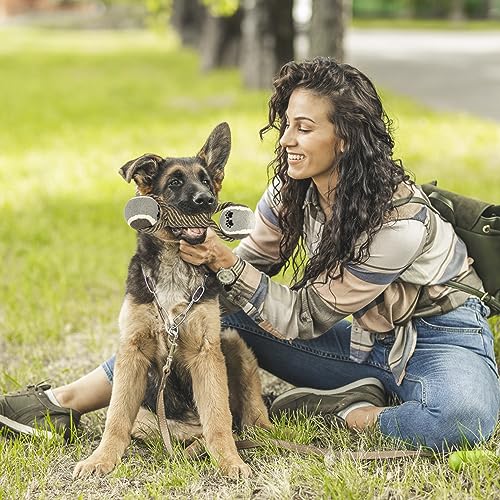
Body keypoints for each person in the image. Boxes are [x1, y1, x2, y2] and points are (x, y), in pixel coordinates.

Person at [1, 57, 499, 451]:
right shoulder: (291, 190)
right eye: (286, 125)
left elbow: (304, 316)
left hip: (440, 338)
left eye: (304, 128)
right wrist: (185, 258)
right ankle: (63, 401)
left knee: (464, 421)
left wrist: (224, 261)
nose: (287, 140)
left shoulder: (399, 223)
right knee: (210, 309)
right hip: (362, 343)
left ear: (345, 138)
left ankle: (346, 411)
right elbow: (242, 277)